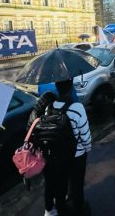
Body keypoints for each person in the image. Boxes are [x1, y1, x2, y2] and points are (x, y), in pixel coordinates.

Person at [29, 79, 92, 216]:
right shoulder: (77, 107)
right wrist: (87, 149)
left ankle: (62, 209)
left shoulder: (49, 107)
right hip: (77, 155)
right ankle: (79, 209)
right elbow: (85, 135)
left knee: (61, 185)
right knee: (77, 186)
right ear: (71, 88)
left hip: (60, 155)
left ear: (57, 87)